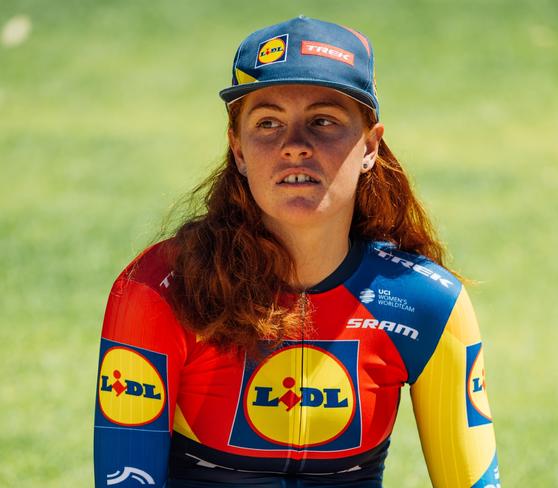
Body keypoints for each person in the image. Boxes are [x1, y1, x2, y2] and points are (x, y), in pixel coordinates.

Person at [93, 16, 500, 488]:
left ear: (370, 145)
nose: (295, 147)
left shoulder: (430, 304)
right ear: (238, 148)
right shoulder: (159, 290)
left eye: (323, 121)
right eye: (268, 123)